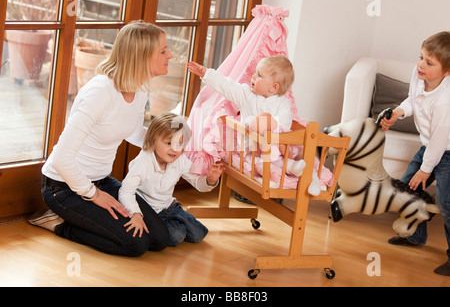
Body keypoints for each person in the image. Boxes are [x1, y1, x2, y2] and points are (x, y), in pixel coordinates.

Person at [28, 21, 173, 257]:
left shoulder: (139, 89)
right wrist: (94, 195)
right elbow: (62, 159)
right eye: (163, 51)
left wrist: (168, 143)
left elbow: (134, 133)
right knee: (135, 244)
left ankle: (85, 217)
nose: (170, 54)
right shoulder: (99, 93)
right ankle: (58, 223)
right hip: (64, 187)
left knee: (159, 238)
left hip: (101, 180)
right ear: (142, 56)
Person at [188, 55, 321, 194]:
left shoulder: (282, 103)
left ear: (273, 87)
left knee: (302, 154)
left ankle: (312, 178)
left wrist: (272, 130)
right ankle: (293, 167)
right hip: (254, 150)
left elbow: (285, 122)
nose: (253, 76)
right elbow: (227, 85)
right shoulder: (246, 95)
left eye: (259, 75)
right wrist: (206, 73)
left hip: (279, 148)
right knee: (266, 163)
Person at [380, 31, 450, 276]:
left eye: (429, 63)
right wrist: (398, 112)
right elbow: (412, 100)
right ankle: (415, 236)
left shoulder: (445, 101)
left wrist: (425, 170)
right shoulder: (418, 76)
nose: (421, 64)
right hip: (429, 145)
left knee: (446, 202)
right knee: (409, 188)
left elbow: (441, 140)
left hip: (447, 151)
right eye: (421, 57)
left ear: (447, 71)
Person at [118, 113, 224, 246]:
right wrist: (135, 213)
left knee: (199, 234)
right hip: (150, 210)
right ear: (152, 140)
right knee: (176, 235)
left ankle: (176, 222)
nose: (174, 149)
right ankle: (172, 226)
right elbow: (125, 192)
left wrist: (210, 180)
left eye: (180, 144)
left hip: (170, 207)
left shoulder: (180, 160)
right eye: (169, 143)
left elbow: (197, 183)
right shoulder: (143, 162)